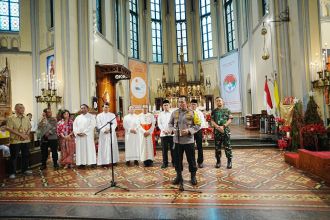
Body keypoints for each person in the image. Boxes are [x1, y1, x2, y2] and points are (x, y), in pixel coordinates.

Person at [168, 96, 201, 185]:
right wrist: (172, 130)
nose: (181, 103)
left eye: (183, 102)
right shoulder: (174, 113)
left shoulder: (192, 113)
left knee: (191, 160)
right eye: (179, 102)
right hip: (177, 141)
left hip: (188, 141)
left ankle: (193, 176)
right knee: (177, 160)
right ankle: (179, 176)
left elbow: (198, 125)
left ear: (186, 103)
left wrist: (189, 131)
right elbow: (170, 123)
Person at [4, 103, 32, 179]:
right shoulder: (11, 118)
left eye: (23, 108)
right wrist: (21, 135)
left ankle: (25, 170)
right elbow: (9, 128)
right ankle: (12, 172)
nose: (22, 109)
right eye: (20, 108)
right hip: (15, 141)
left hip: (25, 140)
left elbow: (30, 127)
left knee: (26, 155)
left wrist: (26, 134)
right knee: (14, 157)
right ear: (16, 109)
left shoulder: (26, 117)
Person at [211, 97, 233, 169]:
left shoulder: (227, 110)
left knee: (227, 147)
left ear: (222, 102)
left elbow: (230, 120)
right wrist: (217, 127)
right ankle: (218, 161)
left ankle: (229, 161)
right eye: (217, 101)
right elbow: (212, 121)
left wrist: (223, 126)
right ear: (215, 102)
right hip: (217, 132)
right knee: (217, 147)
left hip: (225, 131)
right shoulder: (214, 111)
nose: (218, 102)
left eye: (220, 101)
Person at [190, 99, 207, 168]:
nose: (193, 105)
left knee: (199, 147)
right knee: (191, 147)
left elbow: (202, 123)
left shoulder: (200, 113)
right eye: (192, 104)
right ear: (190, 105)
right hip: (190, 132)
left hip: (198, 131)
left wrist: (196, 129)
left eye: (194, 104)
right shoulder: (188, 112)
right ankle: (192, 161)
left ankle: (200, 162)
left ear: (197, 105)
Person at [157, 100, 174, 168]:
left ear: (169, 105)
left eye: (167, 105)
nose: (166, 106)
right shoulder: (160, 114)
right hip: (163, 134)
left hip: (172, 134)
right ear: (162, 106)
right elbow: (159, 123)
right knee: (164, 150)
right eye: (164, 105)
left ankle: (174, 162)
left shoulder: (172, 113)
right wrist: (164, 130)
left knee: (173, 149)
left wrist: (171, 130)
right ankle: (165, 163)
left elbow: (175, 122)